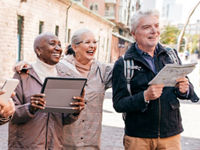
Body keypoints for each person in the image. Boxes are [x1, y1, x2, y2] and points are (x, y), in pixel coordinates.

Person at [112, 10, 199, 150]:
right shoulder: (123, 63)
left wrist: (185, 89)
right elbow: (118, 104)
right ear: (133, 33)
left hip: (170, 135)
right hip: (138, 138)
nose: (154, 31)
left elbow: (187, 87)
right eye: (146, 27)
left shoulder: (171, 55)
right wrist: (145, 96)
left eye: (156, 26)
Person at [9, 33, 85, 150]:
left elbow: (63, 119)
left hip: (54, 145)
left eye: (59, 45)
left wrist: (74, 111)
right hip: (25, 146)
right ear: (38, 50)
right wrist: (30, 108)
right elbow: (9, 113)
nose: (58, 48)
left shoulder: (64, 77)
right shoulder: (22, 75)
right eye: (52, 44)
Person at [56, 28, 112, 149]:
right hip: (65, 142)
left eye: (94, 42)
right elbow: (40, 69)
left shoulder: (102, 70)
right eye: (87, 42)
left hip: (91, 142)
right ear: (75, 47)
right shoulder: (60, 69)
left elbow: (125, 75)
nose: (92, 46)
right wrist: (23, 65)